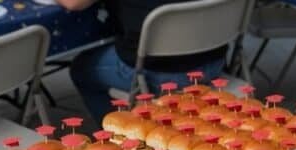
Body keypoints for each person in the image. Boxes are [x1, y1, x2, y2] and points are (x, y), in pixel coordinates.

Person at [58, 0, 229, 121]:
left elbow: (72, 3)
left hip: (162, 74)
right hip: (214, 61)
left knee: (81, 69)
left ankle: (116, 143)